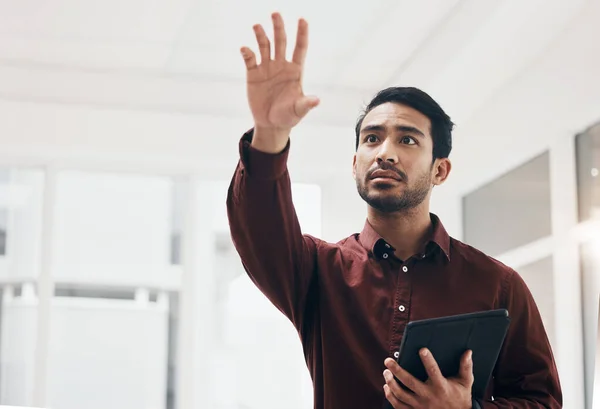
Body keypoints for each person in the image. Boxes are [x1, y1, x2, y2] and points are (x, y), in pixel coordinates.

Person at [226, 12, 562, 409]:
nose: (385, 152)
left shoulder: (498, 285)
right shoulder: (317, 271)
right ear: (355, 163)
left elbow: (543, 402)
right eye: (372, 138)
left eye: (407, 139)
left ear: (440, 169)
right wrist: (270, 134)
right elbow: (259, 230)